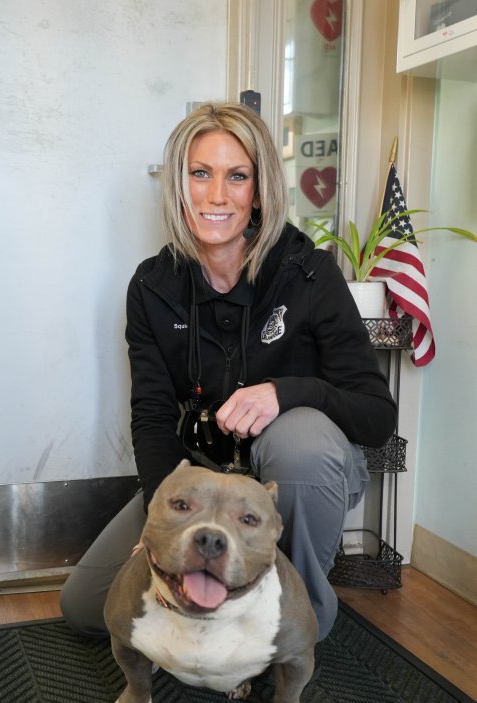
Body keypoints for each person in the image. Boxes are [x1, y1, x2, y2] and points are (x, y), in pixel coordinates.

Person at [61, 102, 396, 641]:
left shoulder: (310, 274)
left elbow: (377, 417)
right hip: (205, 475)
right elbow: (151, 418)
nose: (216, 196)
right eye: (201, 174)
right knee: (87, 607)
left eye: (236, 176)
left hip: (291, 474)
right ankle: (221, 614)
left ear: (258, 190)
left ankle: (298, 628)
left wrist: (286, 394)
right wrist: (160, 517)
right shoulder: (152, 287)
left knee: (302, 440)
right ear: (179, 184)